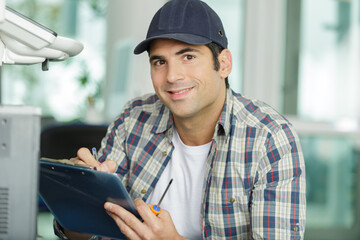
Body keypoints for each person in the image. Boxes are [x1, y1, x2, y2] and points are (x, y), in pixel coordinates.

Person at [54, 0, 306, 239]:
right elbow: (87, 234)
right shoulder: (134, 118)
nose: (172, 76)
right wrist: (79, 201)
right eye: (160, 62)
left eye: (188, 57)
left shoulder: (270, 139)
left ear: (224, 63)